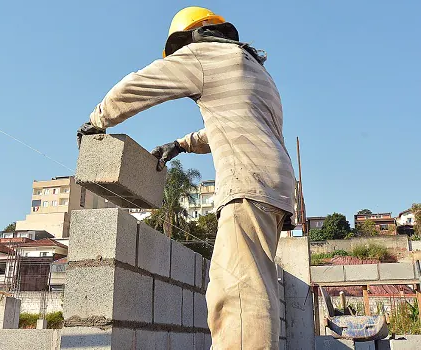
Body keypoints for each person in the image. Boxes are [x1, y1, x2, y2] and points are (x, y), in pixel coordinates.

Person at [77, 6, 295, 349]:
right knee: (255, 286)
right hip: (273, 185)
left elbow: (144, 83)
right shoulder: (251, 68)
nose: (181, 56)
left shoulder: (205, 53)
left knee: (236, 294)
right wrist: (180, 145)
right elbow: (232, 125)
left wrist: (98, 119)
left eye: (181, 47)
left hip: (247, 184)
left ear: (196, 34)